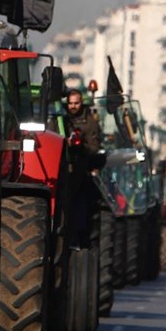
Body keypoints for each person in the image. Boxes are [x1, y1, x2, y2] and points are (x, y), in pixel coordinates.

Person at [58, 89, 103, 248]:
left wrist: (79, 144)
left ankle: (78, 240)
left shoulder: (90, 123)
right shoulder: (60, 119)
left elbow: (94, 147)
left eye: (76, 103)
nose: (73, 106)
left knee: (80, 205)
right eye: (70, 103)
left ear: (81, 103)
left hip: (80, 169)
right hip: (61, 169)